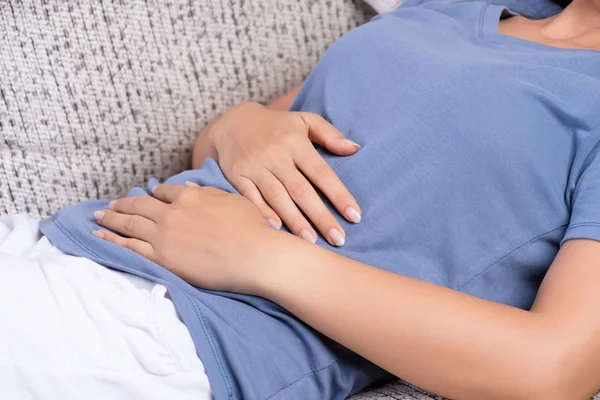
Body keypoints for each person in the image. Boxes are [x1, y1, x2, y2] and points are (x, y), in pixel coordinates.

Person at [3, 0, 600, 399]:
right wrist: (240, 124)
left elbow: (555, 368)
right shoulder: (459, 5)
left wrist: (264, 259)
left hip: (164, 337)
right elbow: (245, 141)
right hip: (57, 245)